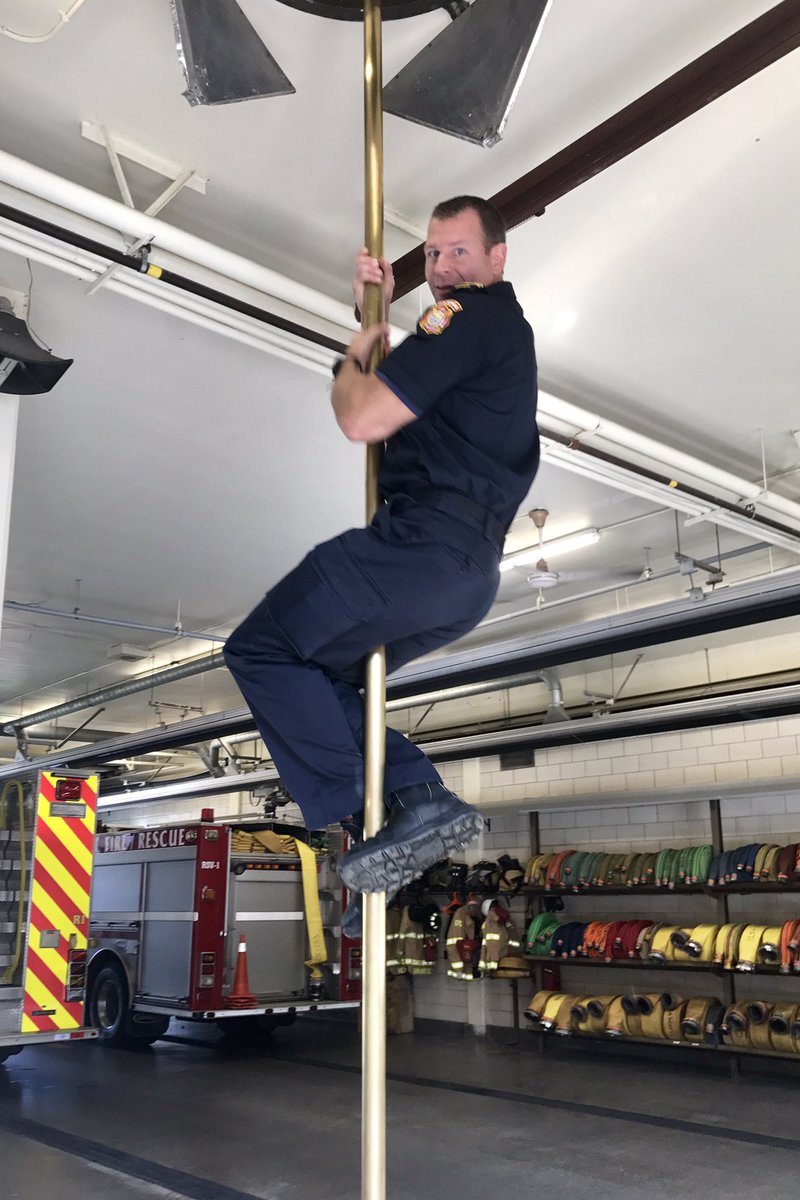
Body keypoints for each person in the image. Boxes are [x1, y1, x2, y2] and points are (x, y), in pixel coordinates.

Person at [224, 196, 539, 925]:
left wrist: (356, 346)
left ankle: (358, 816)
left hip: (418, 550)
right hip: (465, 574)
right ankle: (415, 799)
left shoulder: (471, 315)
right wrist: (371, 317)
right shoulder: (484, 338)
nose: (441, 268)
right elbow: (402, 390)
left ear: (498, 258)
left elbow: (360, 414)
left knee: (262, 649)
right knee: (326, 677)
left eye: (458, 250)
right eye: (431, 254)